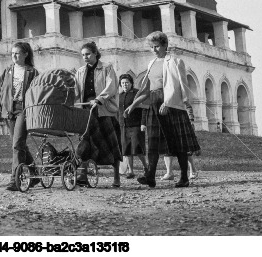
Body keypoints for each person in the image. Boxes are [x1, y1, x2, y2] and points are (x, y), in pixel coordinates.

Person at [124, 31, 200, 188]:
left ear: (165, 45)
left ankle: (184, 177)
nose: (154, 50)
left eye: (157, 46)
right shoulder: (151, 64)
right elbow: (146, 88)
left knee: (178, 143)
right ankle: (150, 176)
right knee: (152, 142)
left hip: (172, 107)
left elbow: (180, 85)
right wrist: (133, 104)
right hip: (154, 105)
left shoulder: (175, 62)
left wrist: (168, 102)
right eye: (151, 47)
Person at [0, 41, 38, 191]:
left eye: (17, 53)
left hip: (24, 110)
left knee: (17, 144)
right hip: (9, 111)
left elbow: (37, 92)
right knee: (19, 144)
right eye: (12, 53)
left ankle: (14, 180)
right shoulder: (7, 71)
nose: (14, 56)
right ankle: (35, 173)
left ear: (25, 54)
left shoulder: (32, 72)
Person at [74, 42, 122, 187]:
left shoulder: (107, 68)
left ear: (95, 53)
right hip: (87, 111)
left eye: (88, 54)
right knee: (85, 140)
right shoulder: (80, 71)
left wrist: (99, 99)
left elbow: (111, 86)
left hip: (103, 110)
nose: (85, 57)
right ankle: (82, 174)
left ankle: (116, 177)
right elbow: (76, 90)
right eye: (83, 55)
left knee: (112, 142)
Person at [118, 73, 148, 179]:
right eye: (122, 83)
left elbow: (144, 109)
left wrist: (143, 123)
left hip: (136, 125)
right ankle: (130, 171)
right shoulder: (120, 96)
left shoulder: (137, 94)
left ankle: (146, 167)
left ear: (131, 83)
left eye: (127, 83)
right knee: (126, 149)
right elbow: (118, 112)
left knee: (137, 148)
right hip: (124, 126)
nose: (125, 85)